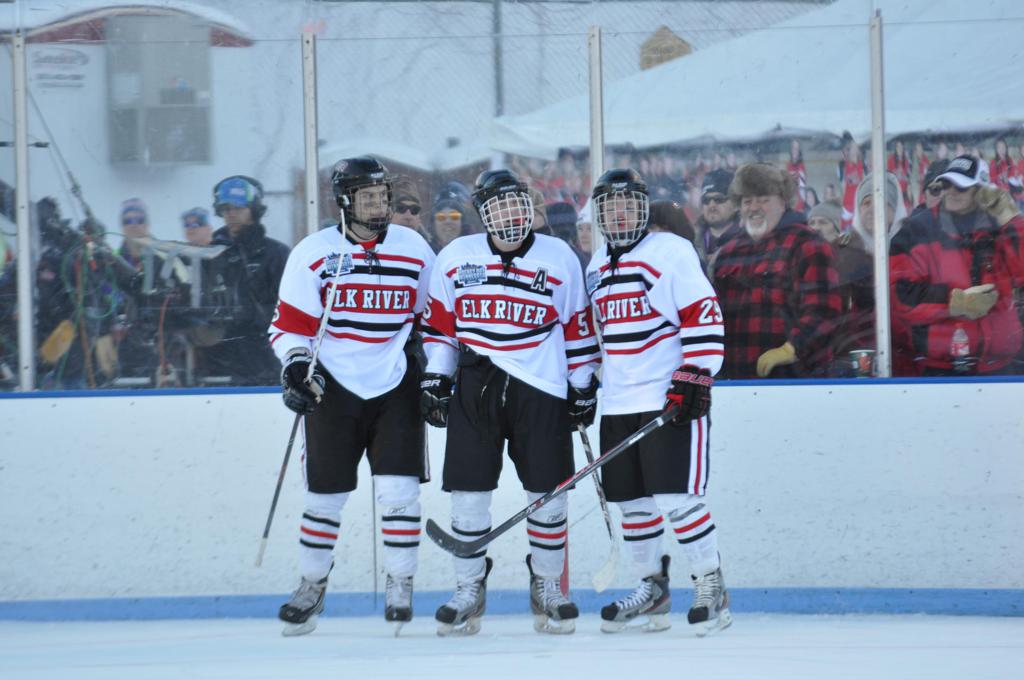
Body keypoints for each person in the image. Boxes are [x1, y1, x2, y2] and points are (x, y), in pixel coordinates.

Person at [419, 169, 600, 636]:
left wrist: (582, 384)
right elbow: (440, 329)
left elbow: (577, 327)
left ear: (529, 208)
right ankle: (468, 587)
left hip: (542, 386)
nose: (510, 216)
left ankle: (547, 584)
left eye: (517, 205)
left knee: (549, 493)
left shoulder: (558, 256)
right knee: (469, 494)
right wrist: (437, 376)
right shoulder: (456, 256)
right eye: (498, 208)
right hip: (475, 381)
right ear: (483, 214)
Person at [269, 156, 435, 635]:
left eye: (383, 196)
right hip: (332, 386)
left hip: (396, 384)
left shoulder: (414, 249)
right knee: (325, 496)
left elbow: (432, 317)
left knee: (399, 491)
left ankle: (400, 580)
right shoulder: (314, 253)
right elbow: (288, 327)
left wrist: (437, 372)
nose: (378, 206)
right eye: (368, 198)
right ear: (344, 201)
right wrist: (296, 365)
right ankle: (312, 582)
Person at [584, 168, 731, 637]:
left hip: (667, 397)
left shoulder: (669, 251)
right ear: (599, 215)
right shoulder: (595, 266)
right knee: (633, 503)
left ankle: (710, 584)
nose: (620, 214)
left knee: (677, 498)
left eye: (628, 205)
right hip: (618, 402)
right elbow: (599, 337)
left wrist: (695, 373)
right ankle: (652, 588)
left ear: (643, 209)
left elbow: (702, 313)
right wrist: (583, 385)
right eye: (610, 207)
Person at [890, 155, 1024, 376]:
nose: (951, 192)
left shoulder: (1000, 228)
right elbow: (900, 296)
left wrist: (1010, 218)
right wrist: (955, 302)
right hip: (940, 367)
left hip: (1000, 365)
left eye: (961, 187)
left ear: (981, 191)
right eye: (946, 184)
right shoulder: (916, 231)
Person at [713, 163, 840, 378]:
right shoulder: (728, 253)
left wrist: (792, 349)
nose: (754, 207)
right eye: (747, 201)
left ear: (783, 202)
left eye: (763, 199)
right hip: (736, 380)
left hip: (796, 379)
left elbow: (824, 311)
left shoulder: (808, 245)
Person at [201, 175, 289, 385]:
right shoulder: (210, 255)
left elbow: (291, 307)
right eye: (226, 209)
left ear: (254, 210)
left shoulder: (275, 253)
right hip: (220, 359)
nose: (231, 214)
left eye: (238, 208)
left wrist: (253, 316)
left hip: (267, 358)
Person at [693, 169, 741, 273]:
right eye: (706, 200)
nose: (712, 205)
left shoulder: (748, 239)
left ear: (735, 203)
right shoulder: (690, 241)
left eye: (719, 199)